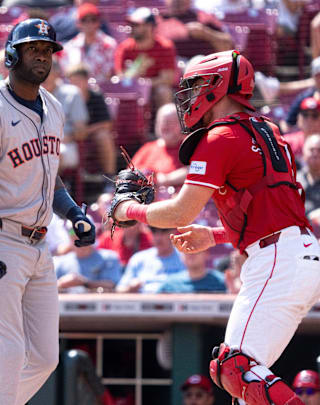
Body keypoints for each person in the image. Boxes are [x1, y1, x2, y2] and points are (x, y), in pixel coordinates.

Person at [109, 50, 319, 404]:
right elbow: (279, 212)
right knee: (245, 382)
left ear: (219, 86)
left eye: (196, 85)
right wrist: (217, 235)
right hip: (295, 253)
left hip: (277, 262)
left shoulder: (220, 136)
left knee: (233, 367)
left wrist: (129, 210)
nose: (190, 95)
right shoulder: (269, 130)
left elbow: (179, 213)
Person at [0, 19, 95, 404]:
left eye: (48, 51)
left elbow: (49, 178)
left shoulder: (54, 107)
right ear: (12, 54)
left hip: (37, 243)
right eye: (34, 49)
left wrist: (72, 214)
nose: (42, 57)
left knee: (45, 358)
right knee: (8, 353)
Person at [114, 7, 177, 106]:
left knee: (164, 91)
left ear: (149, 27)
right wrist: (135, 74)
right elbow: (121, 78)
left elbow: (167, 79)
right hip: (131, 90)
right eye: (130, 25)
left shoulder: (165, 46)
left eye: (136, 25)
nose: (131, 28)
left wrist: (144, 84)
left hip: (154, 90)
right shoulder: (124, 48)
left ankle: (163, 121)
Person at [41, 60, 88, 172]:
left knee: (53, 154)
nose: (43, 76)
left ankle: (54, 189)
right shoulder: (31, 93)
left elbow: (81, 132)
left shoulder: (72, 93)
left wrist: (62, 138)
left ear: (57, 74)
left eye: (47, 72)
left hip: (66, 145)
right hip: (36, 144)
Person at [131, 103, 187, 188]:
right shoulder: (148, 148)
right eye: (162, 121)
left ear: (182, 124)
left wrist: (166, 179)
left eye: (170, 122)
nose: (165, 126)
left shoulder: (190, 145)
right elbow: (130, 174)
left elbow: (197, 171)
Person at [115, 226, 185, 293]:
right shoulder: (139, 258)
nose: (158, 237)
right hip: (143, 302)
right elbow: (119, 289)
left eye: (164, 230)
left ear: (174, 232)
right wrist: (129, 288)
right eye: (154, 231)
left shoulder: (185, 258)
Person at [58, 3, 116, 83]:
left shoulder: (109, 44)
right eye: (84, 20)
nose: (89, 24)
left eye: (93, 20)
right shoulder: (70, 46)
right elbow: (65, 73)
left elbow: (109, 74)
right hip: (76, 90)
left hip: (100, 91)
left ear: (99, 22)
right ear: (78, 23)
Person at [157, 0, 233, 60]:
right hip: (168, 67)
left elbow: (229, 46)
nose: (177, 1)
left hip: (201, 67)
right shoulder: (156, 21)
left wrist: (207, 33)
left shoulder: (203, 17)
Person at [54, 241, 122, 292]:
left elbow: (111, 285)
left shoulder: (108, 257)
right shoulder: (60, 261)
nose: (78, 236)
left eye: (84, 232)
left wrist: (84, 282)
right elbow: (48, 287)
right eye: (73, 232)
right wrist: (61, 283)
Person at [157, 250, 226, 293]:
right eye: (186, 249)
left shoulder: (223, 282)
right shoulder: (170, 285)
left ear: (206, 253)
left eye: (196, 249)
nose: (191, 253)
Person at [299, 134, 320, 216]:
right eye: (311, 150)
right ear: (303, 153)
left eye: (319, 150)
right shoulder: (294, 180)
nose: (315, 154)